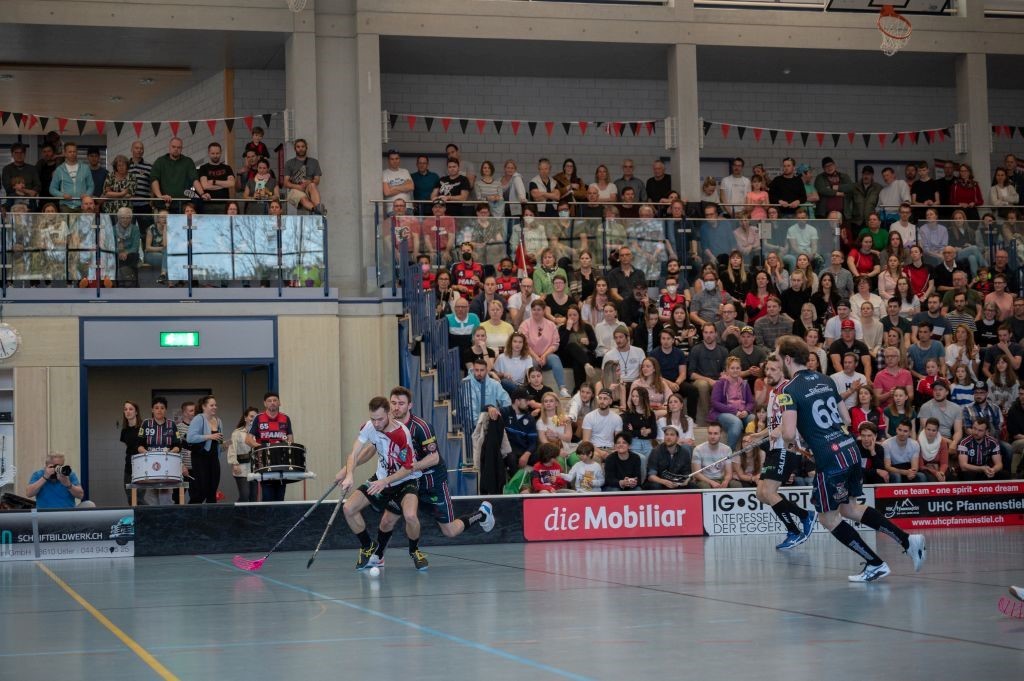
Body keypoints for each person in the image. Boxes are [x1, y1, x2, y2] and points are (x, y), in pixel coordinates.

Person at [773, 335, 926, 582]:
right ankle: (907, 540)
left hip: (830, 458)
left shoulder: (787, 390)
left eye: (778, 356)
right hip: (850, 449)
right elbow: (845, 419)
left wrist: (785, 434)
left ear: (788, 359)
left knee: (827, 517)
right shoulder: (825, 379)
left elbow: (789, 433)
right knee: (849, 508)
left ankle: (875, 563)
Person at [370, 387, 494, 565]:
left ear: (410, 405)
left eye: (401, 403)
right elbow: (375, 448)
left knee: (450, 531)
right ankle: (379, 556)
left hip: (431, 481)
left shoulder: (421, 427)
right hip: (407, 482)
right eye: (394, 403)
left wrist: (409, 468)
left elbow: (434, 458)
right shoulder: (386, 426)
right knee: (387, 519)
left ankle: (481, 514)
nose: (396, 407)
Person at [336, 396, 425, 570]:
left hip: (405, 481)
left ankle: (414, 550)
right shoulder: (369, 427)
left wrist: (386, 481)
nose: (376, 424)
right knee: (348, 508)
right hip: (381, 479)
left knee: (410, 516)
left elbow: (408, 468)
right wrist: (349, 474)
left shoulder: (401, 434)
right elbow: (354, 453)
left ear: (389, 414)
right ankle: (368, 546)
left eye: (380, 419)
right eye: (373, 419)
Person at [245, 392, 295, 502]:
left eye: (275, 400)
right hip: (265, 462)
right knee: (268, 496)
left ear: (279, 403)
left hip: (281, 462)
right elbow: (248, 440)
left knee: (280, 497)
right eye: (269, 401)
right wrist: (264, 448)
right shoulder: (258, 418)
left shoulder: (285, 418)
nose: (272, 403)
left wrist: (285, 445)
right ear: (265, 403)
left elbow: (291, 440)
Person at [136, 397, 184, 506]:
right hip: (149, 466)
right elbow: (139, 445)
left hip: (167, 467)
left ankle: (167, 517)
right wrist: (147, 454)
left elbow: (178, 445)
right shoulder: (146, 423)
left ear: (165, 410)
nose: (159, 410)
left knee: (166, 499)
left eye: (162, 408)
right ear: (152, 409)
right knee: (151, 499)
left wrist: (170, 453)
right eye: (156, 408)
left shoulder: (172, 424)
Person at [150, 137, 205, 213]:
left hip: (184, 205)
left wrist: (202, 194)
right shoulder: (160, 161)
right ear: (169, 147)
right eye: (173, 147)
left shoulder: (188, 161)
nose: (176, 149)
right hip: (164, 204)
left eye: (178, 147)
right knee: (164, 221)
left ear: (182, 148)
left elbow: (194, 179)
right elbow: (154, 179)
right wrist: (160, 196)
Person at [185, 395, 223, 504]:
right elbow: (190, 438)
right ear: (204, 406)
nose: (215, 407)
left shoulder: (218, 421)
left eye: (215, 405)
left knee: (212, 491)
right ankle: (190, 513)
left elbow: (218, 442)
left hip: (214, 459)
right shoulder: (199, 418)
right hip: (200, 458)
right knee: (201, 491)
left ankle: (211, 514)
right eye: (211, 405)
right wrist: (209, 436)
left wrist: (224, 445)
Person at [228, 407, 259, 502]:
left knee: (253, 497)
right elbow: (232, 449)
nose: (253, 419)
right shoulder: (237, 432)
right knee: (245, 495)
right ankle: (237, 511)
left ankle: (251, 512)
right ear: (245, 418)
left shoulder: (259, 433)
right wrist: (234, 464)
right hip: (241, 468)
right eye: (251, 416)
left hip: (255, 468)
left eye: (256, 417)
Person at [120, 401, 143, 505]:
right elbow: (129, 447)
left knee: (139, 499)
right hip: (129, 467)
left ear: (136, 412)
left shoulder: (143, 428)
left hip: (142, 467)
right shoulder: (124, 430)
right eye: (125, 409)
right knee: (130, 498)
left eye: (131, 409)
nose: (128, 411)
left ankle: (155, 513)